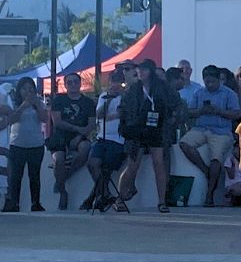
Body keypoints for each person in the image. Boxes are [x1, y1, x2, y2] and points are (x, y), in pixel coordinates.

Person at [180, 64, 241, 206]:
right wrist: (201, 111)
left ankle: (209, 194)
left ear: (218, 79)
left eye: (212, 82)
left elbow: (236, 114)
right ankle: (205, 170)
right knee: (184, 144)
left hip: (221, 132)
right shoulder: (199, 93)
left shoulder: (228, 94)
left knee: (216, 158)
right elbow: (190, 112)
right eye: (206, 81)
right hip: (201, 128)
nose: (209, 85)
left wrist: (219, 111)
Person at [116, 59, 171, 212]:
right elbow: (123, 109)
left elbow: (174, 104)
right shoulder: (133, 89)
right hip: (137, 131)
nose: (140, 72)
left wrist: (170, 120)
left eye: (144, 69)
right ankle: (119, 199)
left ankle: (162, 201)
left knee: (159, 164)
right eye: (139, 69)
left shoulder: (161, 87)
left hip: (156, 130)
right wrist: (127, 125)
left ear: (151, 71)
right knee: (132, 166)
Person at [49, 72, 96, 210]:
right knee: (58, 159)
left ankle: (62, 179)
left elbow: (91, 124)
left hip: (80, 137)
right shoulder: (59, 100)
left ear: (80, 83)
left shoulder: (87, 102)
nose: (73, 84)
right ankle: (63, 191)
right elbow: (57, 122)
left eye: (76, 81)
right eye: (69, 82)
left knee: (85, 149)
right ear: (65, 85)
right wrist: (77, 129)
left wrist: (80, 135)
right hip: (61, 136)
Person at [1, 77, 47, 212]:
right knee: (16, 176)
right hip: (17, 144)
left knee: (34, 175)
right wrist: (23, 106)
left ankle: (36, 203)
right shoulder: (14, 103)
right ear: (19, 90)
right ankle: (14, 203)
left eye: (31, 88)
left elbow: (44, 119)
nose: (28, 91)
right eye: (25, 88)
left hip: (36, 144)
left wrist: (37, 105)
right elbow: (12, 119)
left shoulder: (39, 103)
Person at [84, 69, 127, 210]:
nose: (115, 84)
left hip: (118, 139)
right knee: (92, 163)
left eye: (118, 81)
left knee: (106, 168)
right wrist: (109, 100)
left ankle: (94, 198)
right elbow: (100, 115)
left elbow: (124, 115)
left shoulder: (126, 97)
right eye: (113, 81)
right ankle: (106, 194)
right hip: (102, 137)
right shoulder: (104, 96)